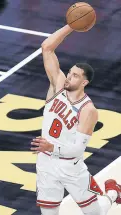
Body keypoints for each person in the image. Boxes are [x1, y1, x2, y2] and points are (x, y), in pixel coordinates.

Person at [31, 25, 121, 215]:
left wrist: (52, 147)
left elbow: (78, 150)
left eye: (75, 76)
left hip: (71, 166)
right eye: (70, 72)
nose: (69, 77)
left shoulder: (88, 110)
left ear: (84, 82)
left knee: (95, 213)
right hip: (46, 163)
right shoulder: (57, 86)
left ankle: (113, 192)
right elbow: (47, 47)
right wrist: (71, 26)